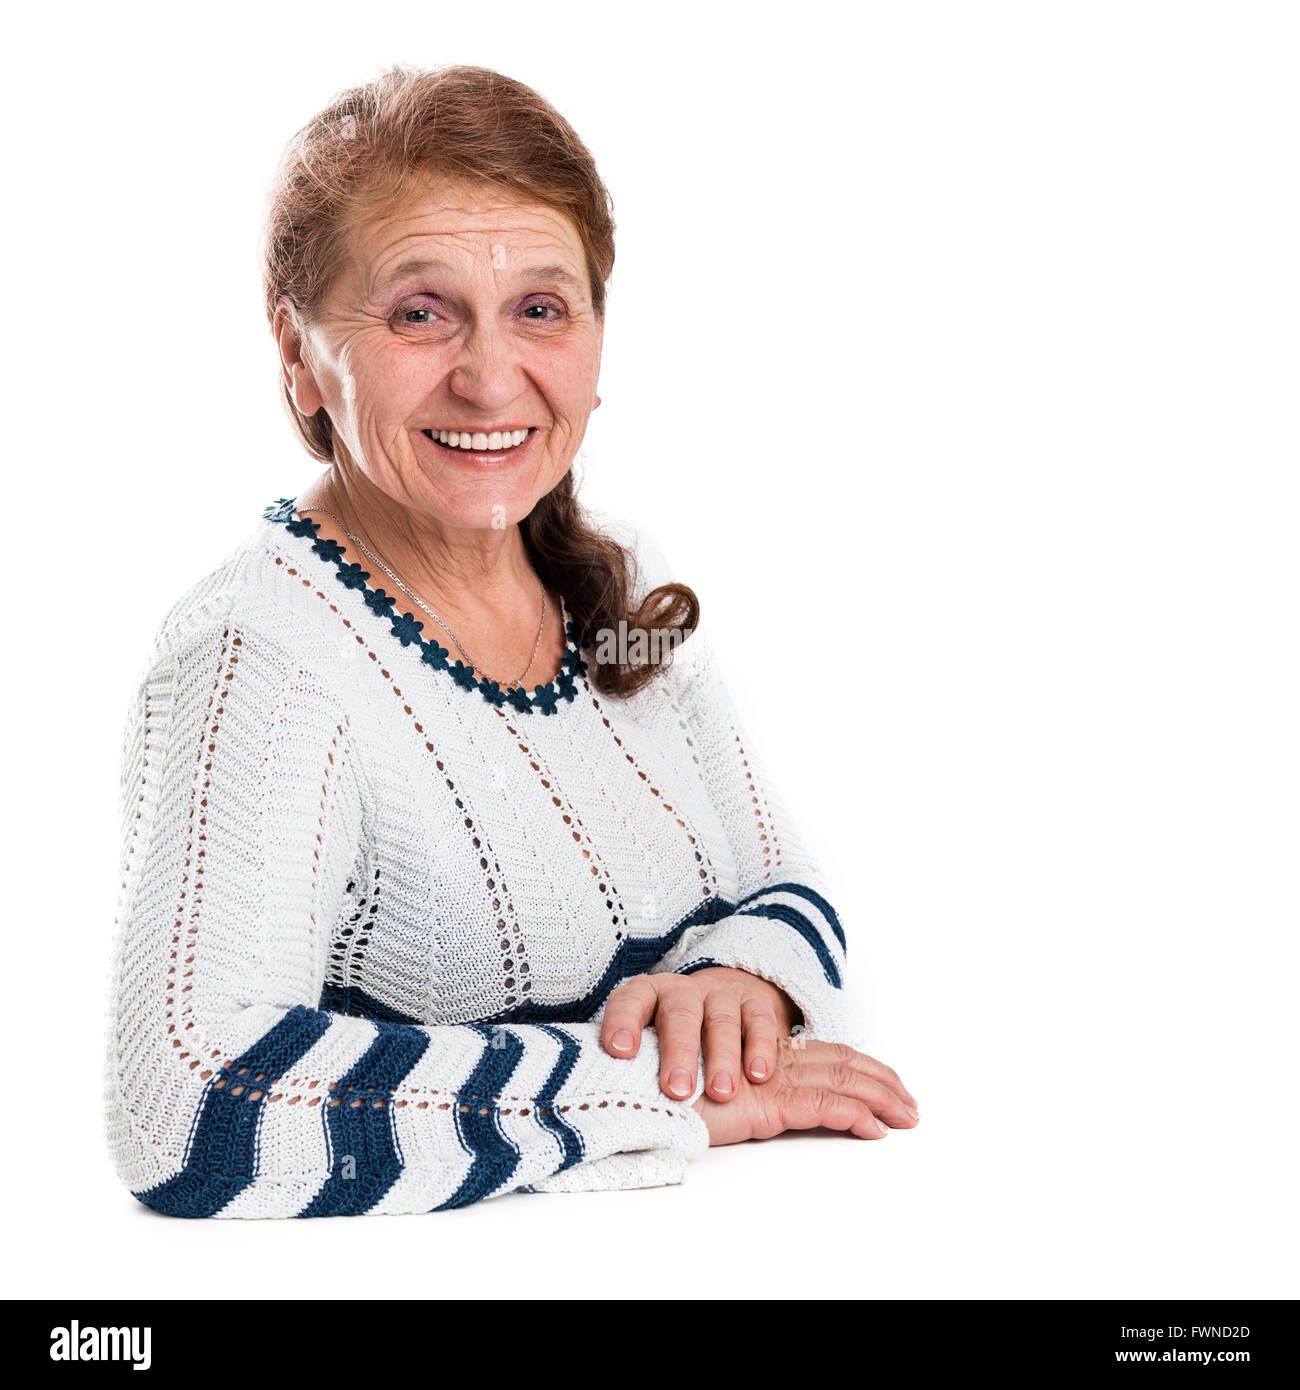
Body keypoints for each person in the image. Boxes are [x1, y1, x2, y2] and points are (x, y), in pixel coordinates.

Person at [103, 63, 918, 1218]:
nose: (491, 380)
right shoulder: (262, 659)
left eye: (541, 308)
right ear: (296, 351)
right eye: (420, 313)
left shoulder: (622, 581)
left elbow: (786, 885)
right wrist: (641, 1090)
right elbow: (182, 1109)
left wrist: (739, 980)